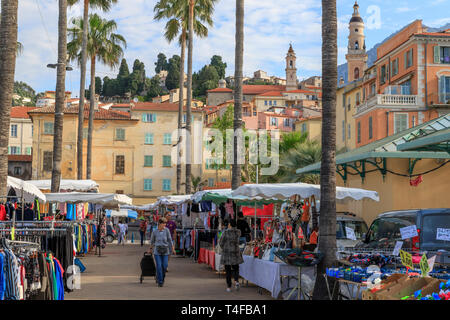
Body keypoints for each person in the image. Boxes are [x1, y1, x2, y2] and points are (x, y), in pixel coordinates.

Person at [148, 217, 176, 287]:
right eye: (163, 223)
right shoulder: (155, 232)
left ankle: (161, 277)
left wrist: (173, 248)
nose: (165, 225)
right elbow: (152, 241)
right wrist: (150, 249)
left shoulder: (167, 230)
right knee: (159, 266)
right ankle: (160, 281)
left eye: (165, 223)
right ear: (159, 224)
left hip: (165, 251)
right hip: (157, 251)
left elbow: (170, 240)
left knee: (165, 266)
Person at [219, 219, 244, 292]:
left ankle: (229, 286)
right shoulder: (238, 232)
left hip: (227, 253)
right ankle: (236, 281)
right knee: (236, 268)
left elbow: (221, 242)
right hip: (236, 252)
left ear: (230, 224)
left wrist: (224, 247)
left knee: (228, 270)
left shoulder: (226, 232)